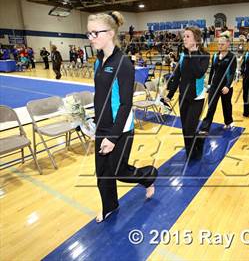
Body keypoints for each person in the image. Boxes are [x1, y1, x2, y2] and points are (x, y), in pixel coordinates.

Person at [88, 11, 158, 223]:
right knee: (102, 174)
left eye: (95, 33)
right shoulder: (98, 60)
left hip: (120, 128)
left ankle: (149, 175)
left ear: (110, 33)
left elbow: (126, 103)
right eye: (88, 33)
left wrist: (112, 137)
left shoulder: (123, 62)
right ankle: (110, 206)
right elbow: (101, 95)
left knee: (119, 171)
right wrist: (93, 122)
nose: (90, 38)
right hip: (102, 126)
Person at [165, 27, 209, 160]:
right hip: (183, 96)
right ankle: (190, 151)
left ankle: (198, 143)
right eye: (184, 36)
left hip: (197, 97)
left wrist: (194, 53)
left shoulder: (204, 56)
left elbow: (199, 73)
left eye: (188, 36)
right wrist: (170, 94)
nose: (184, 38)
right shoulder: (183, 55)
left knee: (190, 127)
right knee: (185, 128)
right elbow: (177, 75)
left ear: (196, 39)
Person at [199, 35, 236, 134]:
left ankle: (229, 122)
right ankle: (205, 128)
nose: (220, 46)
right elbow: (212, 71)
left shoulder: (232, 57)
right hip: (215, 85)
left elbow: (232, 73)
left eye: (222, 44)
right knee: (211, 106)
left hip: (226, 87)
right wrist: (210, 83)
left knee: (226, 105)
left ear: (228, 44)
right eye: (219, 44)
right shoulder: (215, 56)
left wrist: (227, 86)